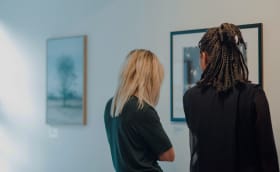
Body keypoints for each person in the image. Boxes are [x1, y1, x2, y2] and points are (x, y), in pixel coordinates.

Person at [183, 23, 279, 172]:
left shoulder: (190, 97)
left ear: (204, 57)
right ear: (234, 56)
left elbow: (197, 151)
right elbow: (268, 158)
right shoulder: (254, 95)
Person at [104, 49, 175, 172]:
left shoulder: (111, 106)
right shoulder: (142, 109)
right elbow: (169, 155)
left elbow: (125, 150)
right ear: (150, 78)